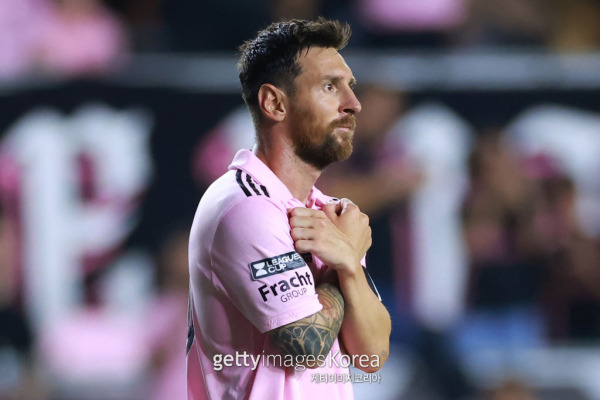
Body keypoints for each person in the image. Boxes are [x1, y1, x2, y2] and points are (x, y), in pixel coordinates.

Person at [187, 18, 391, 400]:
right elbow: (306, 346)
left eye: (350, 86)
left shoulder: (327, 213)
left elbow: (372, 355)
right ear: (275, 103)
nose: (353, 104)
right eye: (330, 87)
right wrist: (344, 258)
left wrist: (346, 262)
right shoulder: (243, 206)